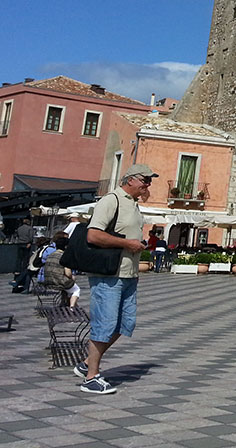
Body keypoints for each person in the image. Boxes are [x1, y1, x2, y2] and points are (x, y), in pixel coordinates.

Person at [74, 163, 153, 395]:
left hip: (129, 273)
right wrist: (128, 244)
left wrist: (136, 244)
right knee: (105, 324)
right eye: (145, 180)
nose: (148, 185)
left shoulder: (134, 205)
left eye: (150, 181)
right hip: (109, 274)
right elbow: (94, 234)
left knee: (125, 324)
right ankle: (91, 378)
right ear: (129, 180)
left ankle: (88, 363)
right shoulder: (111, 201)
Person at [41, 232, 80, 308]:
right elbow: (68, 273)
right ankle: (72, 308)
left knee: (69, 290)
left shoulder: (51, 254)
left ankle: (65, 304)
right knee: (76, 290)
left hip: (47, 280)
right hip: (59, 282)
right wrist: (73, 277)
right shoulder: (64, 256)